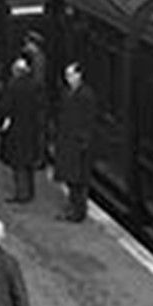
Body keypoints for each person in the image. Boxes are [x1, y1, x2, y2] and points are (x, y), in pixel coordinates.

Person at [52, 60, 99, 222]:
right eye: (67, 75)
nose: (67, 78)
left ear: (79, 75)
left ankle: (78, 211)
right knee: (71, 179)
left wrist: (83, 141)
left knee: (78, 180)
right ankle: (72, 207)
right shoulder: (67, 93)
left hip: (77, 144)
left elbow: (88, 120)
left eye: (70, 75)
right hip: (67, 141)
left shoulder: (86, 95)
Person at [0, 55, 46, 204]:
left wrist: (4, 122)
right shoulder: (35, 85)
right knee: (29, 163)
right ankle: (30, 192)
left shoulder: (13, 85)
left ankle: (21, 194)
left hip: (17, 130)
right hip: (31, 130)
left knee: (18, 163)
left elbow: (6, 106)